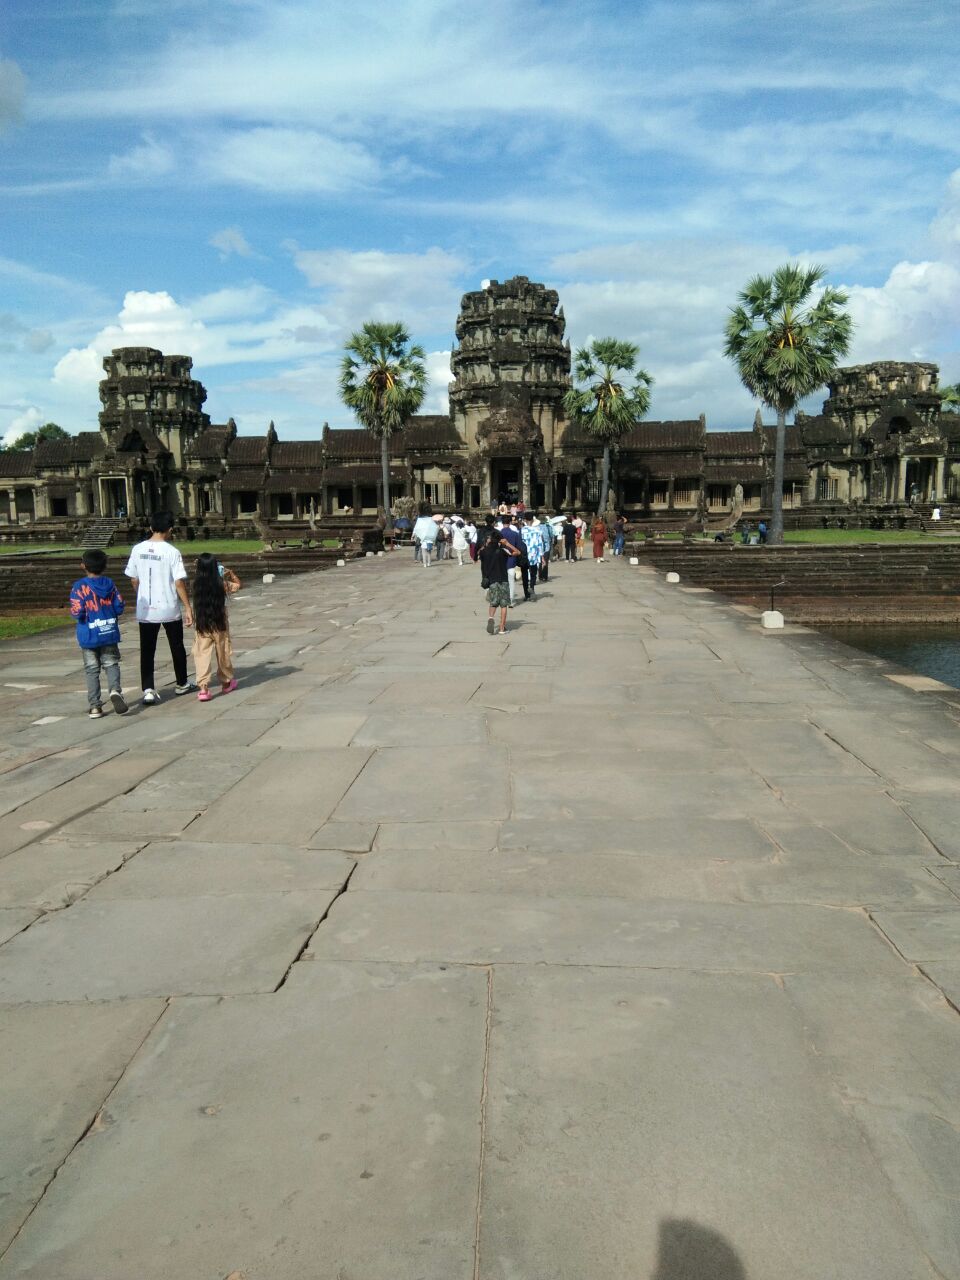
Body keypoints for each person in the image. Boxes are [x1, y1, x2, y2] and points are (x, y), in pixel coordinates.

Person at [124, 511, 194, 705]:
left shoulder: (138, 549)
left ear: (151, 528)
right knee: (177, 646)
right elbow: (179, 582)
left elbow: (134, 579)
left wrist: (141, 594)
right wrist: (188, 607)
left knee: (147, 649)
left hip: (146, 608)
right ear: (170, 529)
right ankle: (181, 682)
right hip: (169, 606)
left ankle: (148, 688)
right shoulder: (172, 552)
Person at [70, 548, 128, 719]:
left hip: (88, 634)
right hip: (108, 631)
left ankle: (95, 706)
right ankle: (115, 690)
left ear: (83, 566)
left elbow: (77, 611)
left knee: (91, 670)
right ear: (105, 566)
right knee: (111, 664)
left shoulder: (79, 586)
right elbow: (119, 606)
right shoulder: (110, 584)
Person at [191, 553, 240, 702]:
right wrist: (230, 573)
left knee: (201, 654)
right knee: (223, 653)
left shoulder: (196, 585)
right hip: (219, 623)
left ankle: (204, 688)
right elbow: (238, 585)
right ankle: (226, 683)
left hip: (202, 624)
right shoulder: (222, 584)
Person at [478, 526, 513, 635]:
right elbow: (517, 553)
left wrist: (486, 543)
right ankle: (502, 629)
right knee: (503, 605)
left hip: (492, 580)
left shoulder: (484, 552)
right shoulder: (502, 551)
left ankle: (491, 618)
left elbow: (480, 553)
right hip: (503, 580)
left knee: (493, 603)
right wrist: (507, 544)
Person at [500, 514, 524, 606]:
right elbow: (519, 549)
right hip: (511, 560)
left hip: (500, 561)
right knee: (511, 581)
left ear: (502, 523)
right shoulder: (515, 534)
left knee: (502, 581)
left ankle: (503, 599)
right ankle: (511, 600)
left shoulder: (498, 534)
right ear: (510, 522)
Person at [521, 511, 542, 599]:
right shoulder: (537, 530)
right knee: (533, 574)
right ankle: (532, 587)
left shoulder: (521, 531)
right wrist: (542, 557)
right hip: (534, 555)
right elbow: (540, 544)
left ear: (524, 520)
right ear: (533, 520)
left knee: (525, 574)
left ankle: (527, 595)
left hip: (524, 555)